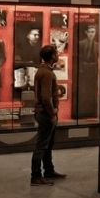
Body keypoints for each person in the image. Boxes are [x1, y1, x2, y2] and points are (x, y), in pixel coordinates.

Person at [31, 44, 65, 186]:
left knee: (47, 144)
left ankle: (49, 170)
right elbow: (46, 98)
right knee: (41, 146)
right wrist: (53, 112)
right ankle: (36, 176)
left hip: (44, 113)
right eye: (56, 53)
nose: (58, 55)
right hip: (46, 114)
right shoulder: (47, 73)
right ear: (52, 56)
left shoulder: (44, 70)